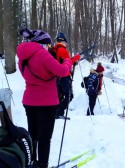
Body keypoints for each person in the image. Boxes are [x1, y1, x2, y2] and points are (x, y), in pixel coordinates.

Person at [17, 28, 72, 168]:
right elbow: (63, 71)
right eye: (48, 44)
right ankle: (42, 164)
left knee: (33, 134)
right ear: (42, 43)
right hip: (47, 103)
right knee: (45, 137)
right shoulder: (42, 54)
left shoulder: (23, 56)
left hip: (29, 101)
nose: (48, 47)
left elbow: (31, 75)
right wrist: (68, 61)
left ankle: (32, 161)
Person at [51, 32, 80, 119]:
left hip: (57, 77)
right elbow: (68, 63)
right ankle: (59, 112)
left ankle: (56, 112)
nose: (66, 44)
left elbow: (63, 61)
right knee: (69, 96)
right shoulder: (63, 50)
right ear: (64, 41)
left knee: (59, 95)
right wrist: (76, 58)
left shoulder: (54, 49)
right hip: (64, 76)